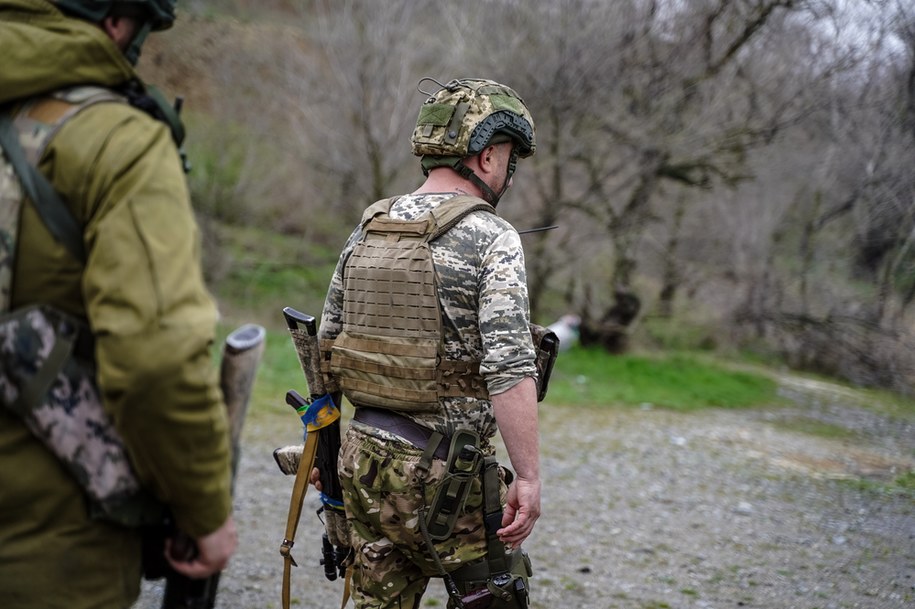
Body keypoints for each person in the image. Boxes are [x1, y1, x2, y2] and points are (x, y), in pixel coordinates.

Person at [0, 1, 237, 607]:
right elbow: (155, 362)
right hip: (45, 558)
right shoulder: (116, 141)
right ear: (114, 20)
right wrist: (205, 512)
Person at [317, 78, 541, 609]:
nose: (510, 172)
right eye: (510, 158)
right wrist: (528, 476)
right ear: (488, 155)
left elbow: (325, 345)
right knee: (495, 598)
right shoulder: (493, 236)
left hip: (363, 459)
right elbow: (510, 367)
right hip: (447, 475)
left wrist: (332, 467)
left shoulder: (371, 225)